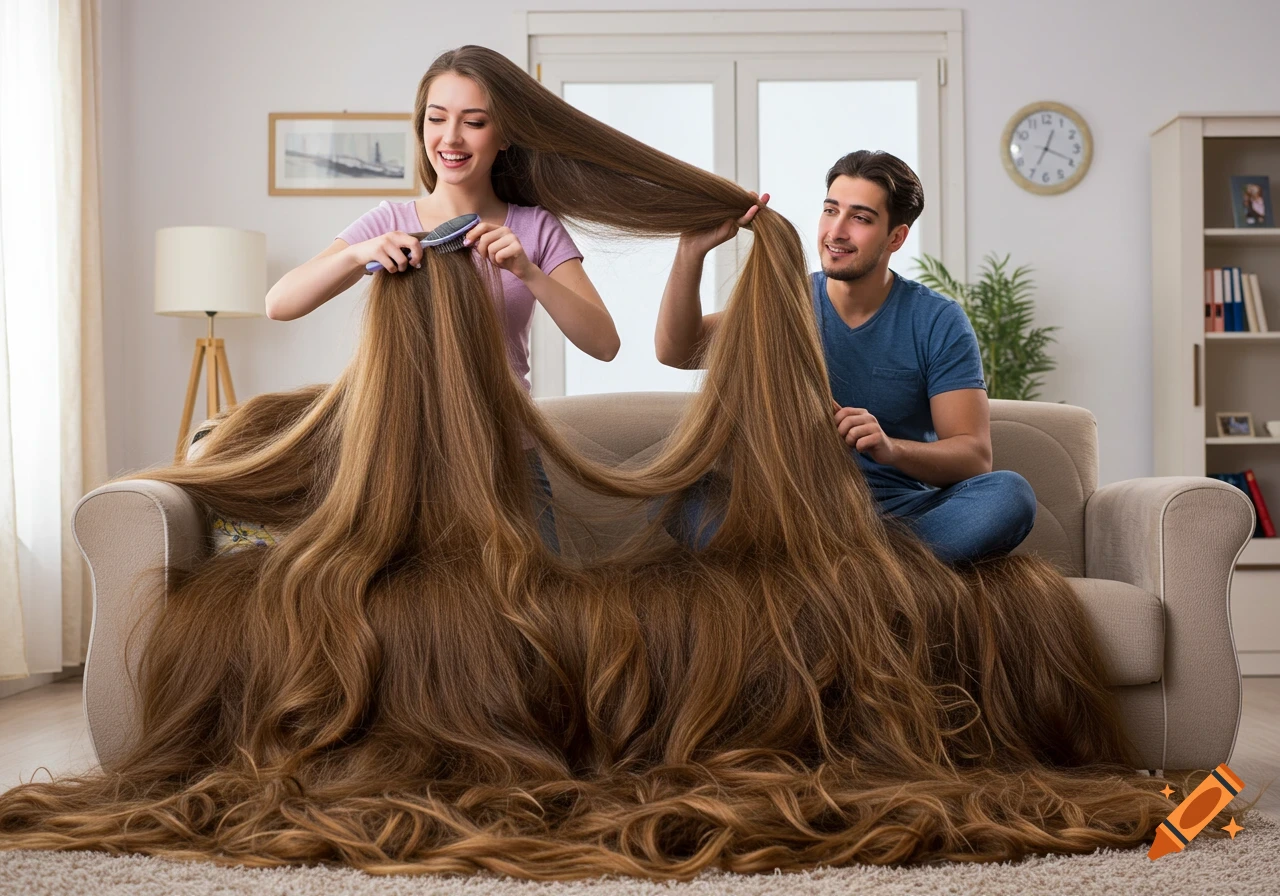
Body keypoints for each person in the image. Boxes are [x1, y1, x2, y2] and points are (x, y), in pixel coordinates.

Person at [265, 50, 622, 551]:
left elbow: (604, 343)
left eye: (473, 122)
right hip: (404, 462)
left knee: (537, 607)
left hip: (510, 460)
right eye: (437, 118)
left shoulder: (534, 228)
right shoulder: (387, 220)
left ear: (504, 136)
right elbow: (279, 303)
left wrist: (528, 271)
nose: (450, 138)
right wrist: (359, 255)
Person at [654, 150, 1036, 564]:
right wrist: (690, 252)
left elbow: (974, 456)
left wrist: (890, 448)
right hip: (791, 514)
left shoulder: (937, 320)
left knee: (1010, 495)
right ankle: (875, 570)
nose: (836, 231)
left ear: (896, 237)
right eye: (830, 210)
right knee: (667, 486)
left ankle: (834, 569)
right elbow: (677, 350)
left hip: (900, 518)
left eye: (860, 218)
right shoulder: (786, 300)